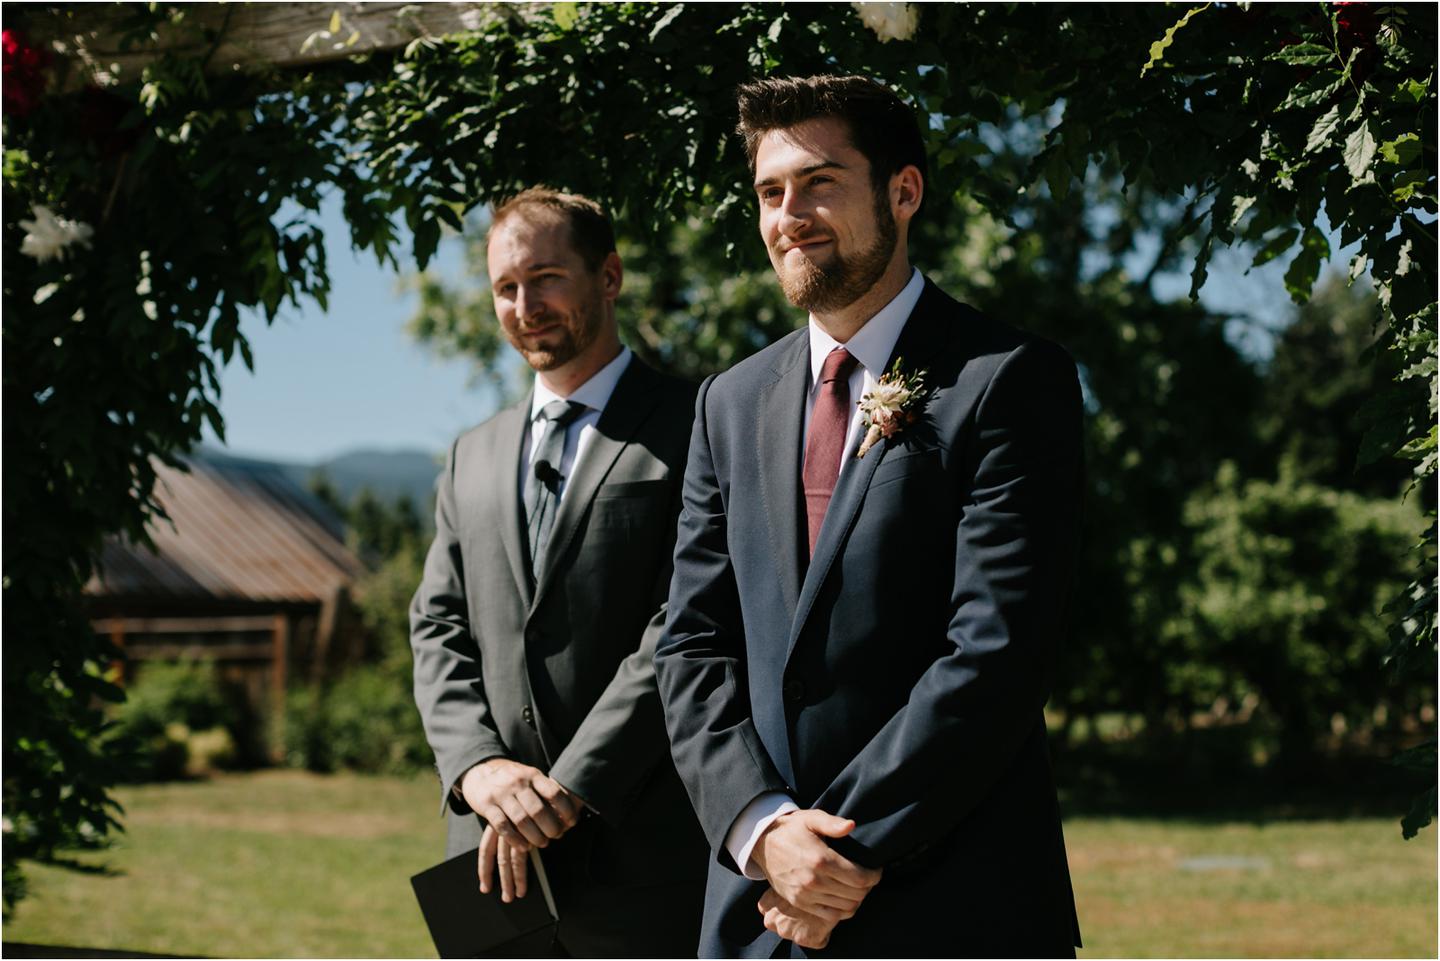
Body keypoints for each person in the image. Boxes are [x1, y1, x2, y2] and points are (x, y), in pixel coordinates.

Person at [654, 75, 1084, 957]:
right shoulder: (726, 404)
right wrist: (764, 831)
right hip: (759, 908)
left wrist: (835, 853)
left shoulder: (1006, 378)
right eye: (771, 192)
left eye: (819, 182)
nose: (790, 215)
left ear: (904, 190)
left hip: (951, 905)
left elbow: (998, 652)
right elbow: (692, 643)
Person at [410, 187, 706, 957]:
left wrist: (570, 784)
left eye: (545, 278)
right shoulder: (469, 453)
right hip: (485, 856)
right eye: (505, 287)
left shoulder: (701, 421)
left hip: (642, 855)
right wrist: (477, 769)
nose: (523, 305)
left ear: (608, 276)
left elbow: (688, 618)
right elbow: (437, 626)